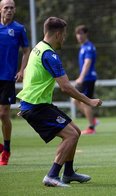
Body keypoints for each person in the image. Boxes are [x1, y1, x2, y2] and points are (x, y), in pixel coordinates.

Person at [17, 17, 102, 187]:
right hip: (36, 107)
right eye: (63, 35)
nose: (64, 39)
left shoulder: (37, 48)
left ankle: (68, 173)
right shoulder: (50, 55)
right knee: (70, 135)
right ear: (57, 34)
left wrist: (25, 100)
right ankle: (52, 175)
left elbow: (27, 71)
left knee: (75, 131)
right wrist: (89, 101)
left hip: (36, 104)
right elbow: (65, 87)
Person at [0, 0, 30, 166]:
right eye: (6, 8)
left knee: (3, 114)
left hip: (7, 77)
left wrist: (22, 70)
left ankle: (6, 149)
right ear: (0, 10)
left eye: (12, 8)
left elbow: (26, 50)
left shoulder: (18, 29)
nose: (9, 10)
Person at [74, 25, 98, 135]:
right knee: (75, 101)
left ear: (86, 34)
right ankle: (92, 120)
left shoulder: (88, 47)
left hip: (88, 79)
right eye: (77, 34)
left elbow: (87, 63)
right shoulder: (83, 47)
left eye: (81, 34)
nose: (79, 36)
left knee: (86, 102)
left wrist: (81, 77)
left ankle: (91, 127)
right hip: (85, 78)